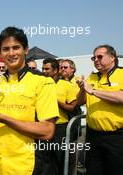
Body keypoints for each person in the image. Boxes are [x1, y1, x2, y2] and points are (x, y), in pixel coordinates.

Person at [0, 26, 59, 175]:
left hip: (28, 166)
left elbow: (47, 131)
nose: (11, 53)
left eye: (16, 47)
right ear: (0, 52)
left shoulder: (43, 82)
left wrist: (3, 118)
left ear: (26, 50)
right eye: (6, 49)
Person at [76, 44, 123, 175]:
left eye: (100, 56)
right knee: (93, 170)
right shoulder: (92, 77)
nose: (96, 60)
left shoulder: (121, 74)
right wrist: (82, 89)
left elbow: (121, 97)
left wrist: (93, 91)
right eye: (94, 58)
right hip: (92, 135)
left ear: (112, 57)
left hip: (116, 137)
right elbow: (80, 102)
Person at [41, 58, 78, 175]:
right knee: (46, 161)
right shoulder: (41, 83)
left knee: (61, 161)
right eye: (42, 68)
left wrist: (55, 101)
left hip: (60, 128)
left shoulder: (66, 85)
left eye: (47, 69)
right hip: (43, 127)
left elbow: (72, 107)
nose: (44, 71)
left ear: (56, 70)